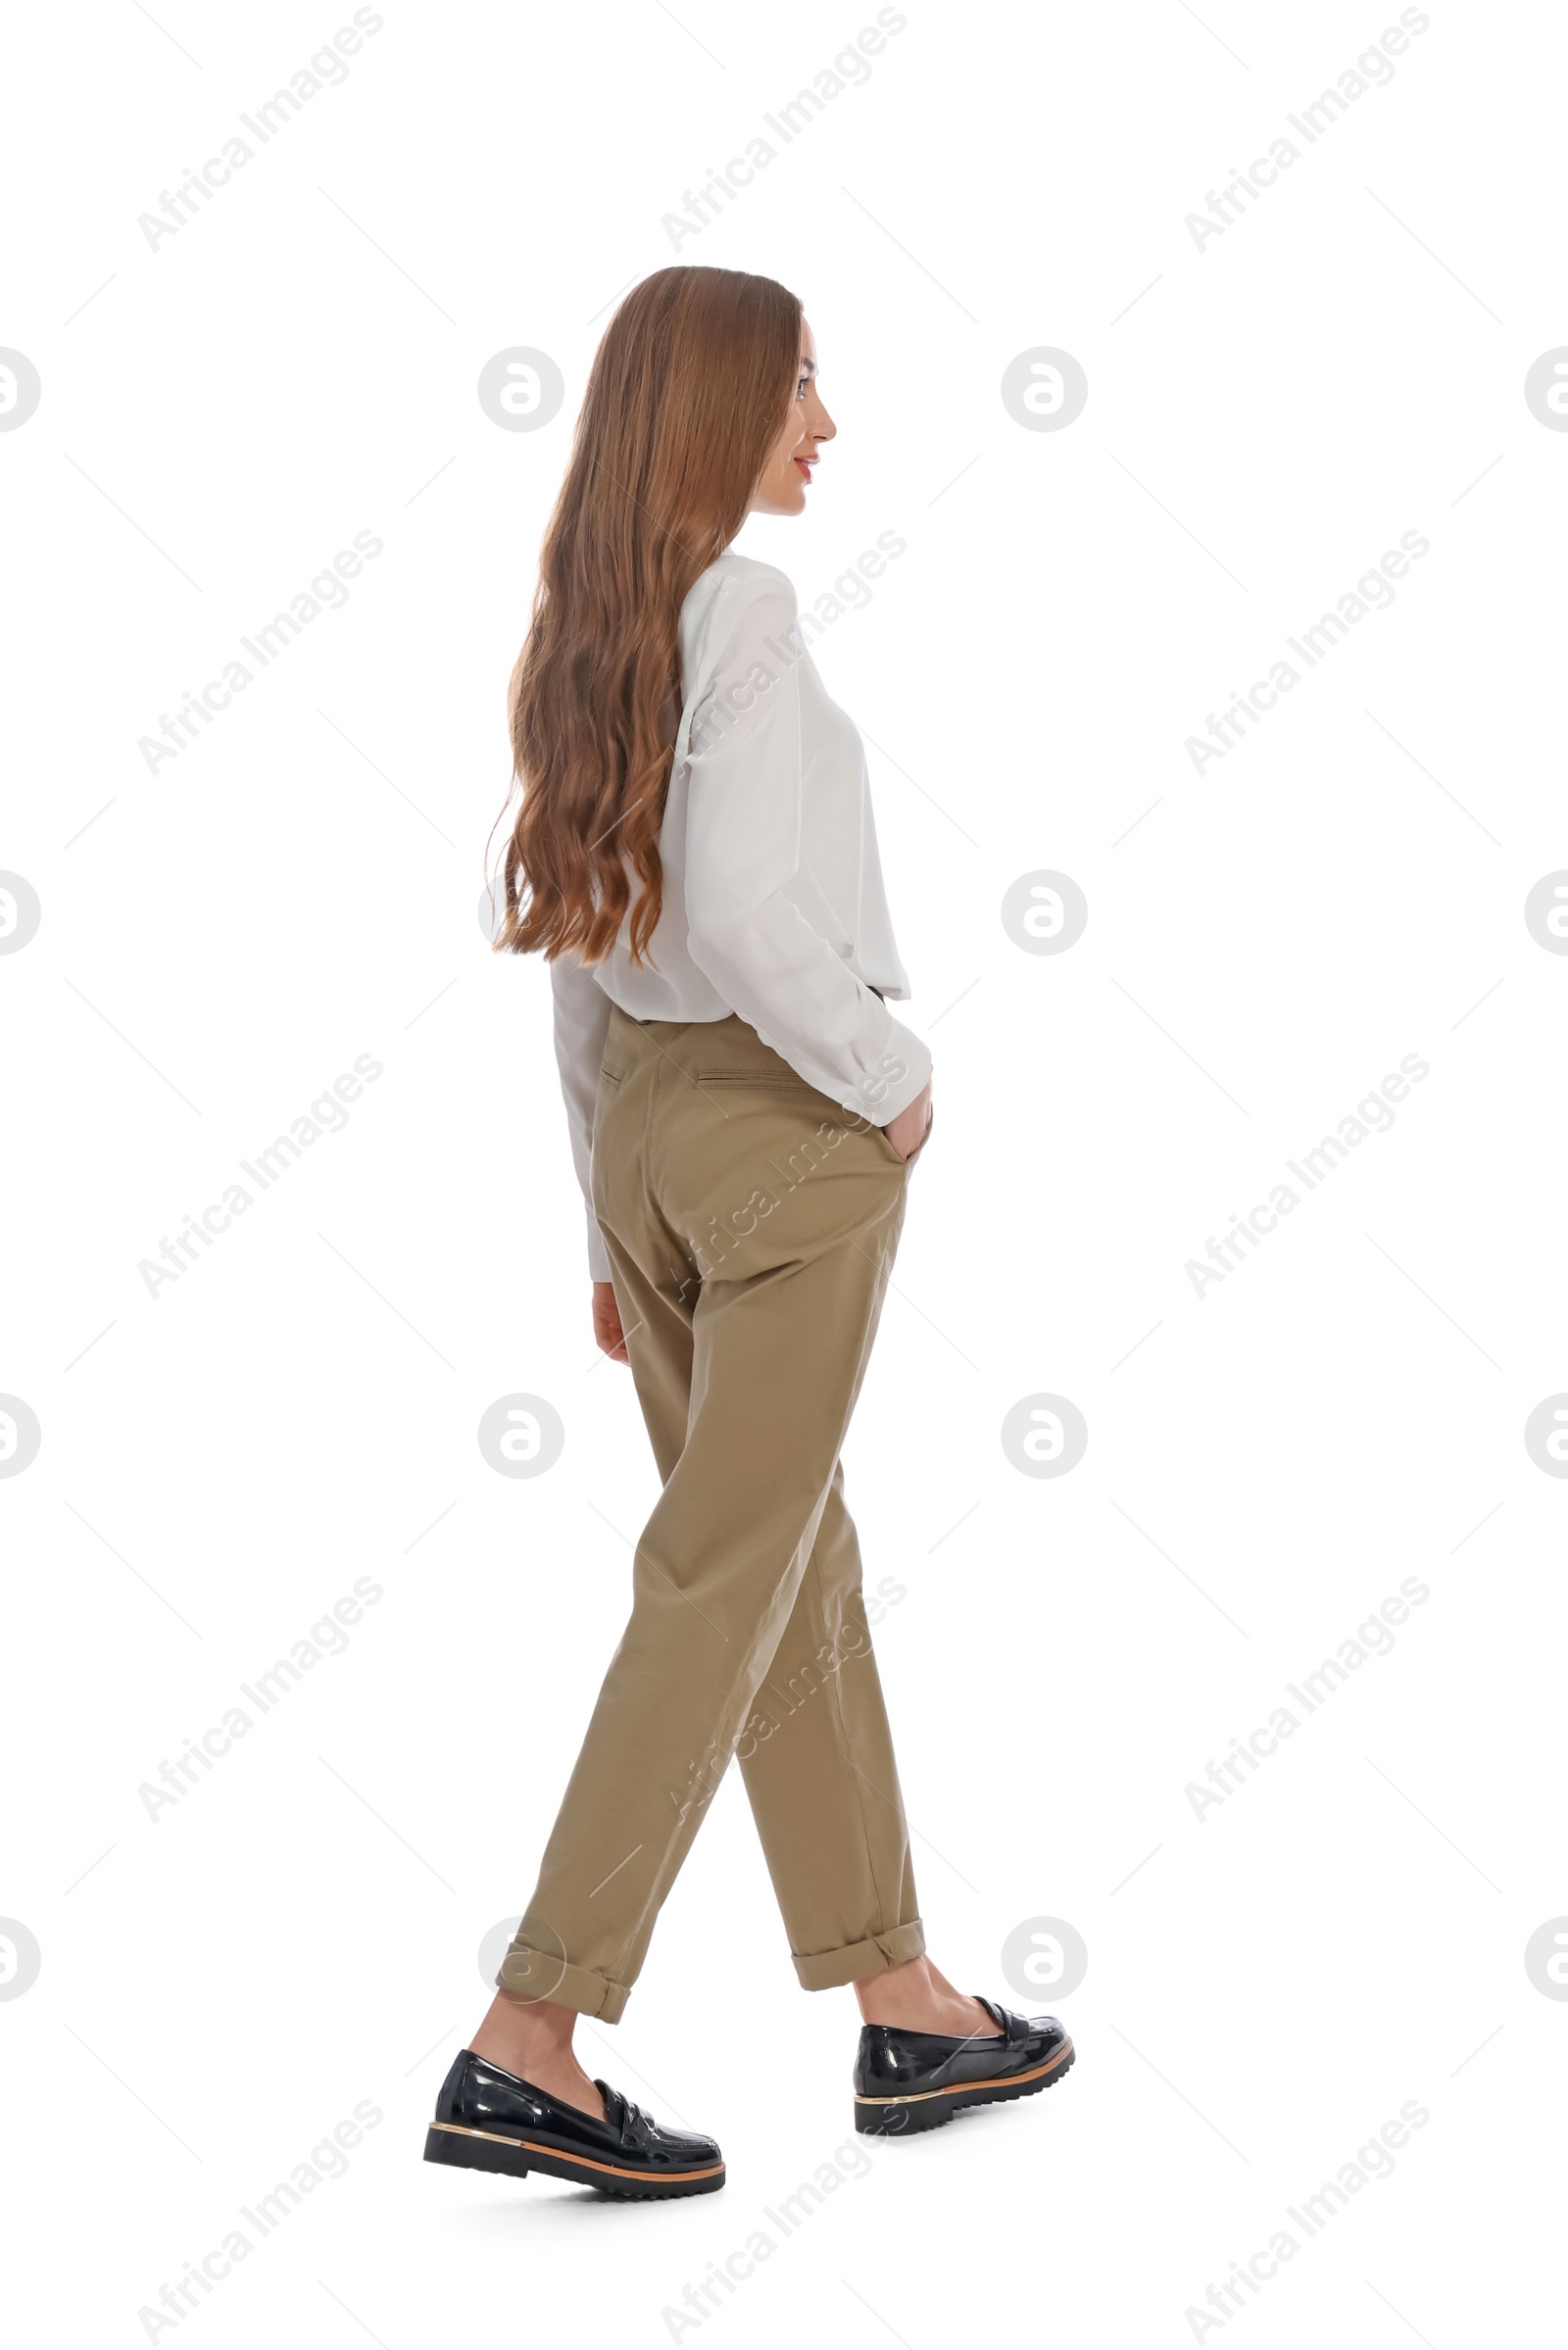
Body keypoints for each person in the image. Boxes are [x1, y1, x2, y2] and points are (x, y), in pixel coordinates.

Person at [423, 266, 1073, 2202]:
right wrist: (884, 1073)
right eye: (798, 377)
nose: (827, 414)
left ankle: (903, 1999)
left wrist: (604, 1222)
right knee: (723, 1571)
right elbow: (741, 901)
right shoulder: (753, 611)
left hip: (646, 1133)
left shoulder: (594, 624)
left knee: (784, 1561)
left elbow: (567, 944)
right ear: (713, 404)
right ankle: (528, 2032)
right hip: (782, 1133)